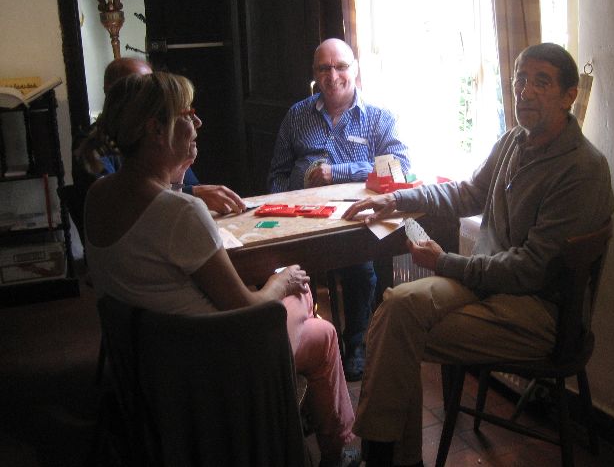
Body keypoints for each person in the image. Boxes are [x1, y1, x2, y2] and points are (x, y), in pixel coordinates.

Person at [342, 43, 614, 467]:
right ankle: (394, 457)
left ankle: (387, 457)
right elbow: (467, 191)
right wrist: (396, 201)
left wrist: (446, 263)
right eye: (520, 79)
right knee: (397, 305)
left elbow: (530, 269)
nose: (525, 91)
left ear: (569, 96)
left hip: (540, 313)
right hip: (486, 285)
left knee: (394, 332)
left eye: (541, 82)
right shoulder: (512, 141)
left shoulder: (582, 169)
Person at [82, 72, 359, 467]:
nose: (198, 124)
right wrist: (281, 282)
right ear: (155, 130)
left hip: (152, 361)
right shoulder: (179, 212)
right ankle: (333, 446)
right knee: (313, 315)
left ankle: (313, 430)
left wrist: (179, 176)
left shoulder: (99, 194)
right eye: (186, 115)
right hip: (212, 363)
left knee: (316, 327)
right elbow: (247, 306)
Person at [268, 38, 411, 381]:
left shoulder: (379, 118)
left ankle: (356, 343)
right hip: (300, 217)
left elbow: (400, 167)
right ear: (314, 73)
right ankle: (301, 343)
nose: (333, 75)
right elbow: (277, 173)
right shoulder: (297, 114)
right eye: (324, 68)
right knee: (281, 272)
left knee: (361, 270)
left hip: (353, 218)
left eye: (341, 66)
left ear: (355, 69)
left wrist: (341, 171)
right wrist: (280, 209)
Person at [78, 57, 246, 216]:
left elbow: (182, 188)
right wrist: (192, 195)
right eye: (142, 88)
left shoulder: (166, 150)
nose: (154, 91)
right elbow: (123, 202)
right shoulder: (98, 145)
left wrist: (181, 174)